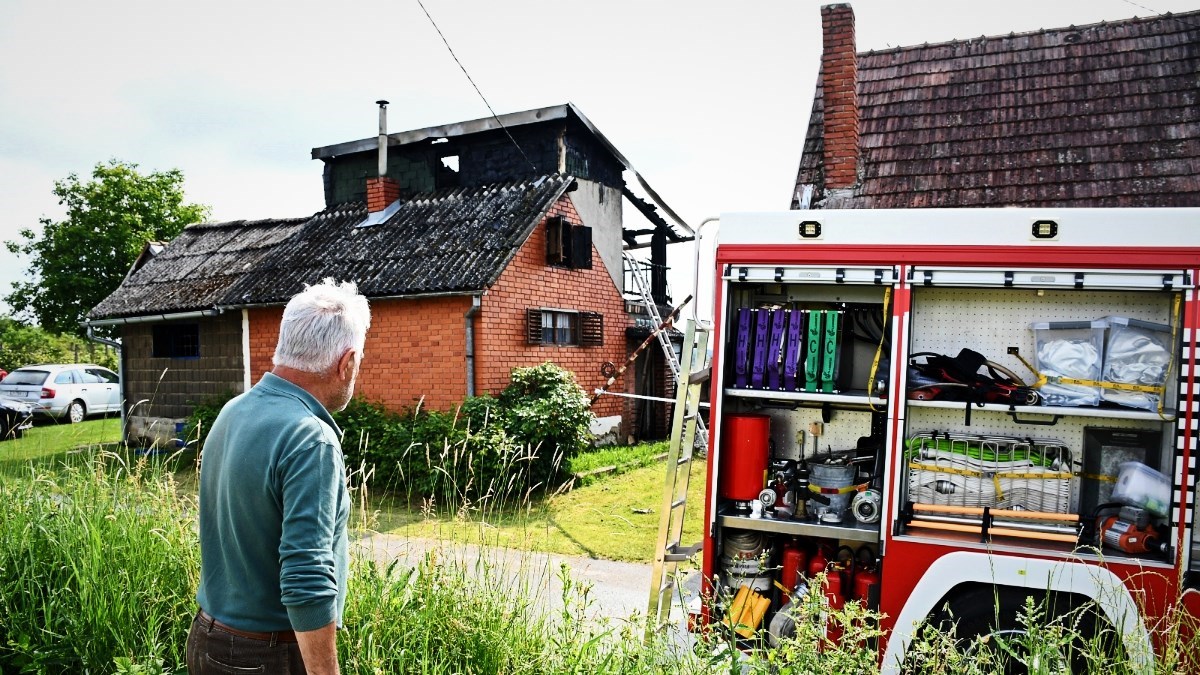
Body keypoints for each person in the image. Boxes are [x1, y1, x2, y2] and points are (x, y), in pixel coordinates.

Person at [187, 278, 370, 675]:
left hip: (207, 637)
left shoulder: (234, 410)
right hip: (267, 656)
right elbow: (306, 574)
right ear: (347, 362)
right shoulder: (311, 438)